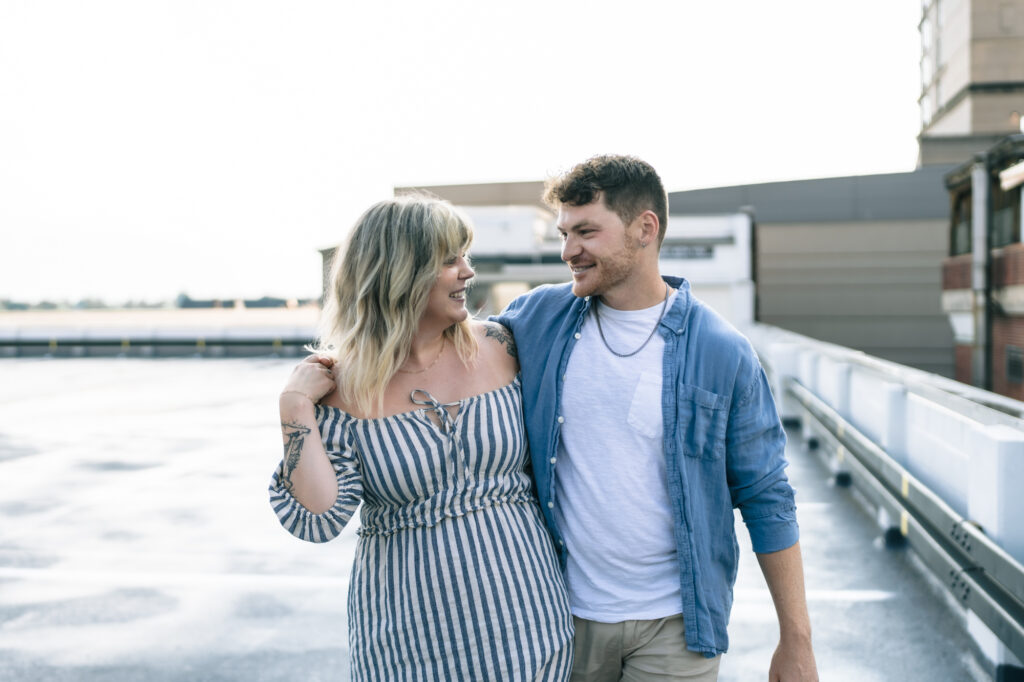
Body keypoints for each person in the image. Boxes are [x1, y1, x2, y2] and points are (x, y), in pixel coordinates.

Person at [492, 155, 818, 681]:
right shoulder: (538, 318)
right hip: (558, 617)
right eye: (564, 233)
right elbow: (448, 349)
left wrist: (796, 641)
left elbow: (767, 497)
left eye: (586, 231)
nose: (568, 250)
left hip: (676, 625)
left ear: (646, 228)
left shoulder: (722, 352)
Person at [269, 195, 574, 681]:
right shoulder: (342, 387)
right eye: (450, 260)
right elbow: (320, 517)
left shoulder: (502, 346)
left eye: (465, 257)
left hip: (530, 626)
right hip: (409, 642)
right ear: (400, 271)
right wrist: (294, 408)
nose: (468, 273)